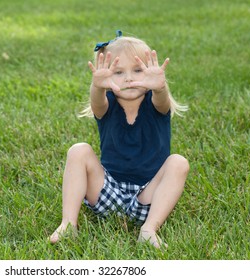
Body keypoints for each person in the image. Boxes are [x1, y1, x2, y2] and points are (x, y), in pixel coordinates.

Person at [49, 31, 189, 248]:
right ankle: (68, 224)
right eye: (119, 72)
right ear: (107, 78)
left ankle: (149, 229)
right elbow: (97, 102)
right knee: (78, 150)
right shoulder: (107, 104)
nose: (129, 79)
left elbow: (162, 101)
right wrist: (97, 87)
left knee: (178, 162)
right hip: (107, 192)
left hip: (149, 197)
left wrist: (160, 88)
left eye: (138, 70)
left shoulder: (156, 103)